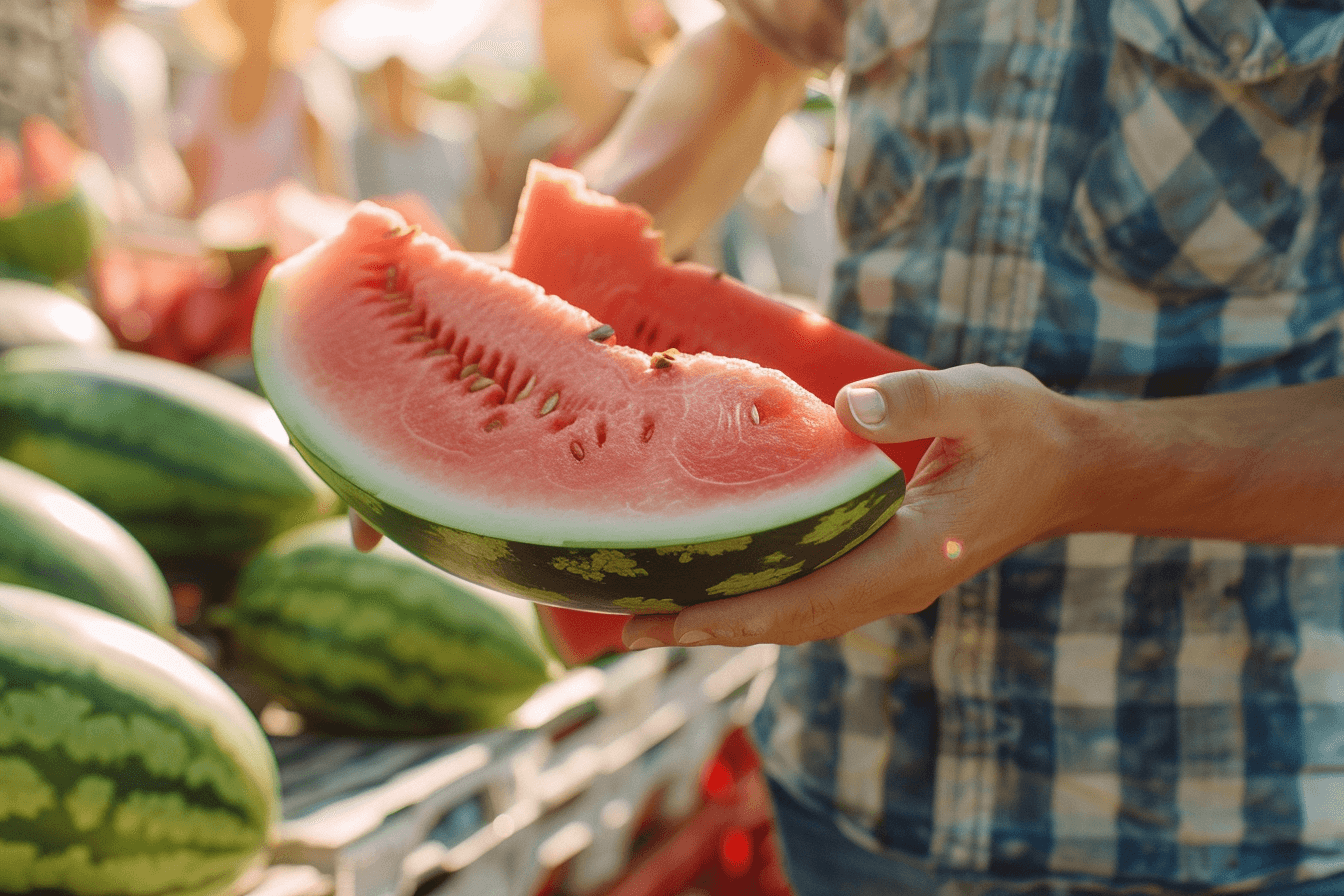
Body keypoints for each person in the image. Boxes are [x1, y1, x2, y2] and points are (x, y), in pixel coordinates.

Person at [354, 1, 1344, 893]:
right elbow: (760, 40)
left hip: (1217, 813)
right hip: (849, 775)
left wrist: (1084, 462)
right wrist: (523, 304)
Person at [173, 0, 346, 213]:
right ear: (234, 17)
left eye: (266, 11)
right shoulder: (204, 88)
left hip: (282, 238)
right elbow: (194, 187)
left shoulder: (300, 90)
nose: (258, 20)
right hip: (218, 234)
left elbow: (328, 187)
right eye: (248, 10)